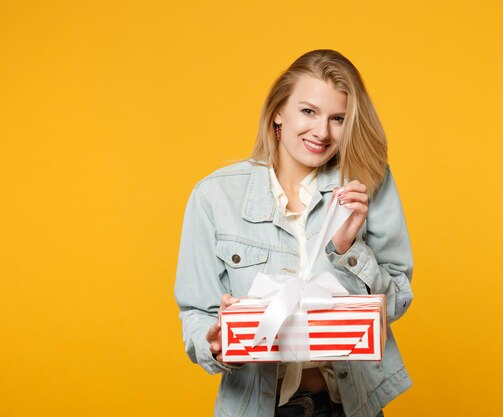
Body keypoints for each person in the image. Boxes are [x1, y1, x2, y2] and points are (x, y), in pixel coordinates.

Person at [175, 49, 413, 417]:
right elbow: (197, 312)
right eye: (308, 111)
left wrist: (349, 249)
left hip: (348, 405)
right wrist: (214, 344)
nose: (322, 131)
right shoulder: (214, 196)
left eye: (338, 118)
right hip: (258, 406)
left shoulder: (367, 182)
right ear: (277, 113)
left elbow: (395, 301)